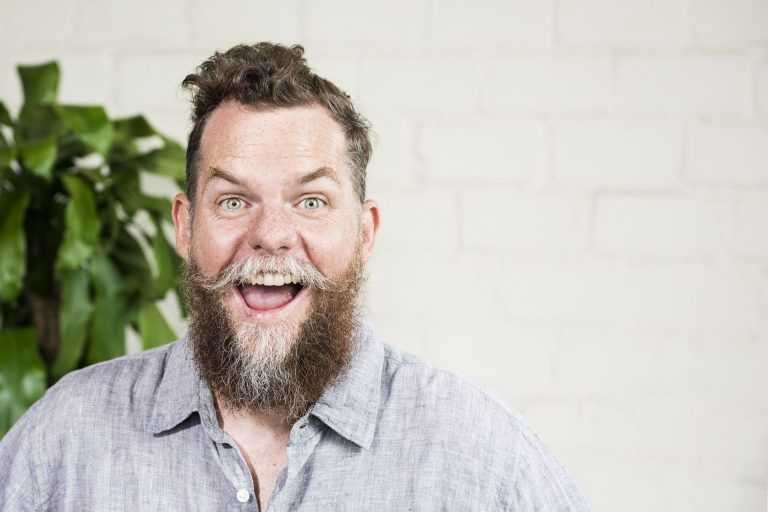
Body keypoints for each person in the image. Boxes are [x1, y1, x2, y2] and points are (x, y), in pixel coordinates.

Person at [0, 43, 590, 511]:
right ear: (185, 226)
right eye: (233, 201)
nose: (272, 235)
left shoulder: (480, 456)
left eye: (311, 202)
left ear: (364, 232)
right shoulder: (64, 441)